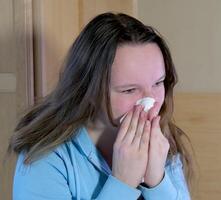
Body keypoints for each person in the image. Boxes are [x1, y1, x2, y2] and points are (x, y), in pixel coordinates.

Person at [8, 12, 194, 200]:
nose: (150, 102)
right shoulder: (46, 158)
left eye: (158, 83)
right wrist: (123, 183)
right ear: (89, 91)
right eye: (129, 90)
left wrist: (157, 182)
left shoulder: (162, 142)